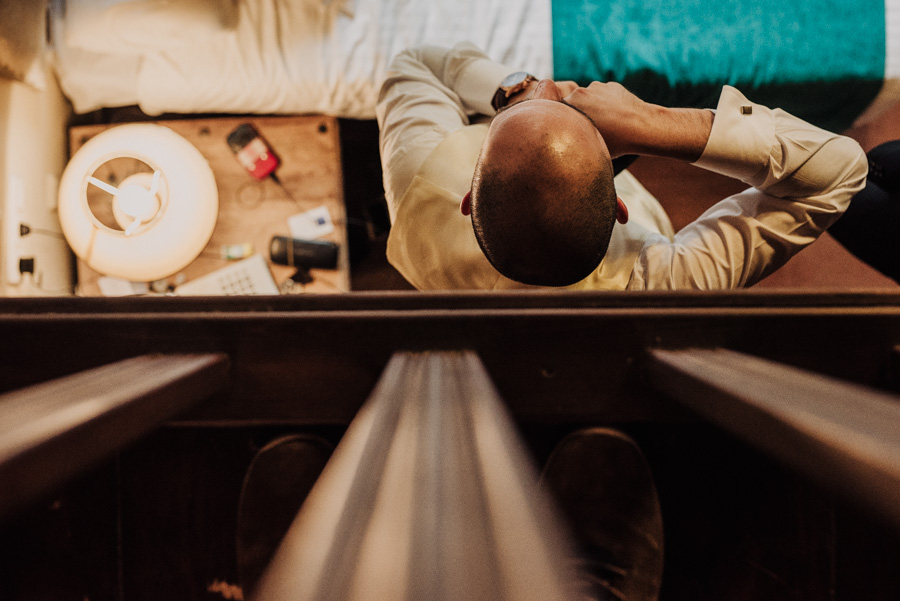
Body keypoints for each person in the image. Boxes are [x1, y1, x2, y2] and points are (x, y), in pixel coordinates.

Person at [376, 42, 868, 290]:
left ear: (468, 198)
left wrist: (512, 92)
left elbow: (413, 64)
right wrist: (648, 121)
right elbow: (842, 170)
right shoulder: (663, 282)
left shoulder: (420, 183)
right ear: (619, 206)